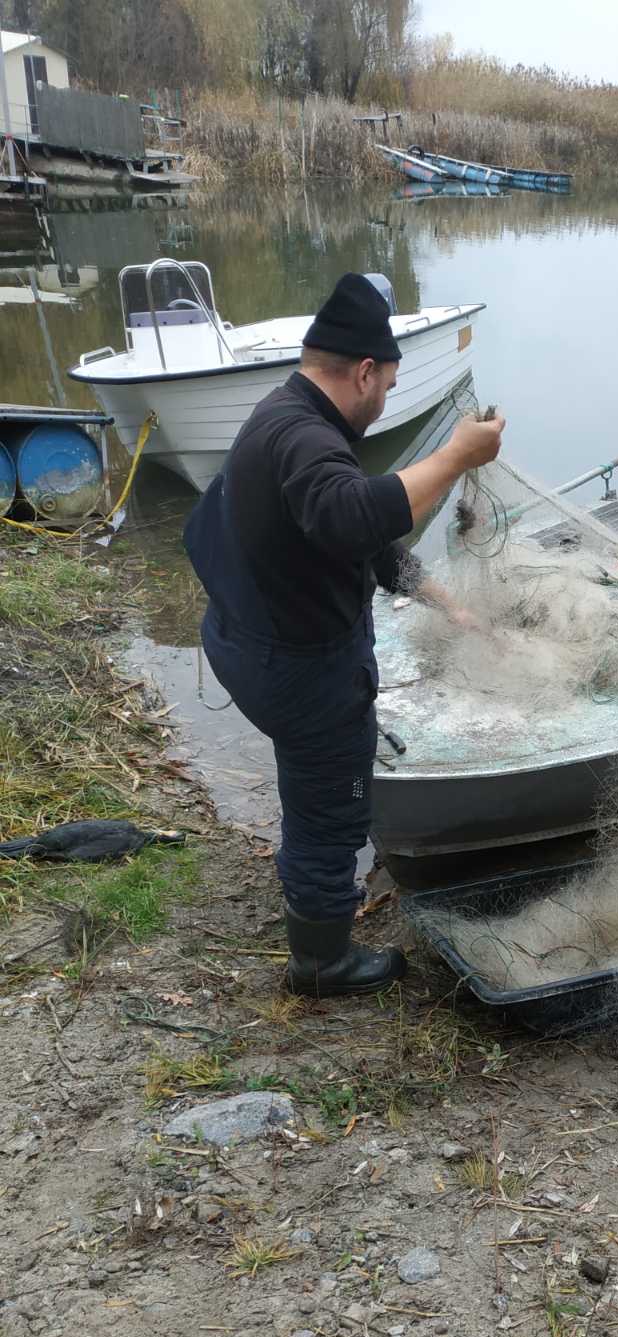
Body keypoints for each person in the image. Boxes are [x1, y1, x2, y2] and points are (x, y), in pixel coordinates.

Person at [184, 273, 503, 997]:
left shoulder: (285, 413)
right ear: (364, 372)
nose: (387, 397)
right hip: (293, 666)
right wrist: (453, 456)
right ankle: (322, 964)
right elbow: (350, 515)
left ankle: (306, 886)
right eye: (388, 384)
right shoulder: (304, 438)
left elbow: (351, 538)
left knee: (310, 789)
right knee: (332, 803)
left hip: (243, 638)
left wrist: (444, 602)